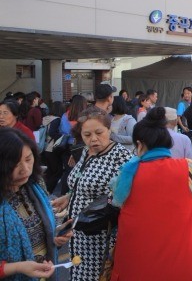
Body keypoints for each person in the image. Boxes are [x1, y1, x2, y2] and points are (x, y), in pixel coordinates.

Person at [110, 107, 192, 280]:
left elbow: (117, 201)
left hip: (137, 259)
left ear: (139, 145)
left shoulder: (127, 173)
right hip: (181, 258)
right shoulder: (187, 167)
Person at [51, 106, 132, 281]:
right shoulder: (87, 152)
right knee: (78, 272)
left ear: (109, 129)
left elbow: (129, 199)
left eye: (99, 132)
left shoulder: (122, 157)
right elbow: (81, 181)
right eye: (87, 135)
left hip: (99, 236)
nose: (93, 139)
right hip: (77, 233)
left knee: (96, 276)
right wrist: (69, 196)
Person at [0, 128, 71, 281]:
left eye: (28, 159)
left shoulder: (35, 186)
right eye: (14, 164)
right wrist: (18, 267)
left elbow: (37, 230)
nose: (25, 170)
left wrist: (55, 236)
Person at [41, 101, 65, 193]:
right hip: (52, 148)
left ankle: (44, 190)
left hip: (45, 147)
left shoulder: (46, 118)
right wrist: (62, 137)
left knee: (50, 171)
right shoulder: (56, 119)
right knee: (57, 172)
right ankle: (48, 191)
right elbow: (52, 133)